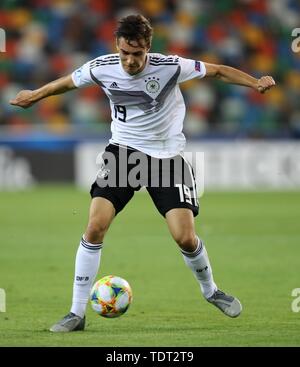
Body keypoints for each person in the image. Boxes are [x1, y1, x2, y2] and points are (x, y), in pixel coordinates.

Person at [10, 14, 275, 332]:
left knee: (185, 237)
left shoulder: (170, 66)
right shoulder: (101, 66)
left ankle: (211, 291)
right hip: (123, 153)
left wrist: (255, 82)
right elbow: (66, 82)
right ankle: (76, 312)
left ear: (148, 49)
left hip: (167, 157)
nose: (131, 61)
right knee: (95, 226)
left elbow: (217, 71)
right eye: (125, 53)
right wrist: (34, 96)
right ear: (116, 47)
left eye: (137, 54)